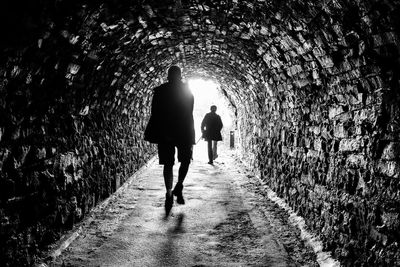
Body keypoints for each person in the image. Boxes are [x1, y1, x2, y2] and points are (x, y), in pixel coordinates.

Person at [144, 66, 195, 217]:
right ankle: (178, 185)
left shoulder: (160, 91)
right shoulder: (186, 91)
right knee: (185, 160)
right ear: (180, 76)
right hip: (183, 132)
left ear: (168, 76)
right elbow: (189, 112)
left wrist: (161, 131)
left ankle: (168, 192)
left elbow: (155, 113)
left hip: (166, 132)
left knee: (168, 163)